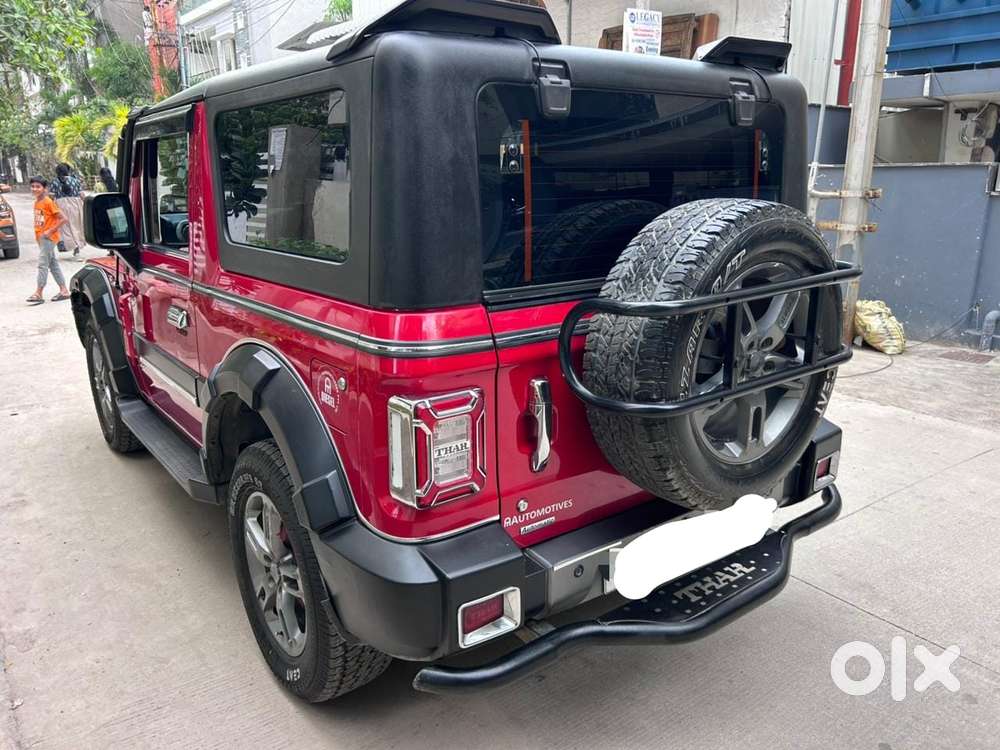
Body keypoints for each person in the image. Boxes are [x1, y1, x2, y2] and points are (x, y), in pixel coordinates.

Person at [26, 177, 71, 306]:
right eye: (33, 186)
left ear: (44, 189)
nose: (35, 189)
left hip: (48, 238)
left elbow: (63, 219)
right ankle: (64, 291)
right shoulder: (37, 202)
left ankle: (38, 293)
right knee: (52, 264)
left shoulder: (48, 202)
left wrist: (50, 231)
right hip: (41, 238)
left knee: (42, 263)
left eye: (38, 186)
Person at [53, 163, 86, 262]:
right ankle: (77, 251)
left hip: (61, 205)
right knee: (76, 227)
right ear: (68, 171)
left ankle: (70, 246)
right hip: (75, 204)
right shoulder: (76, 181)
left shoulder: (54, 182)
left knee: (66, 229)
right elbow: (82, 195)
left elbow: (50, 196)